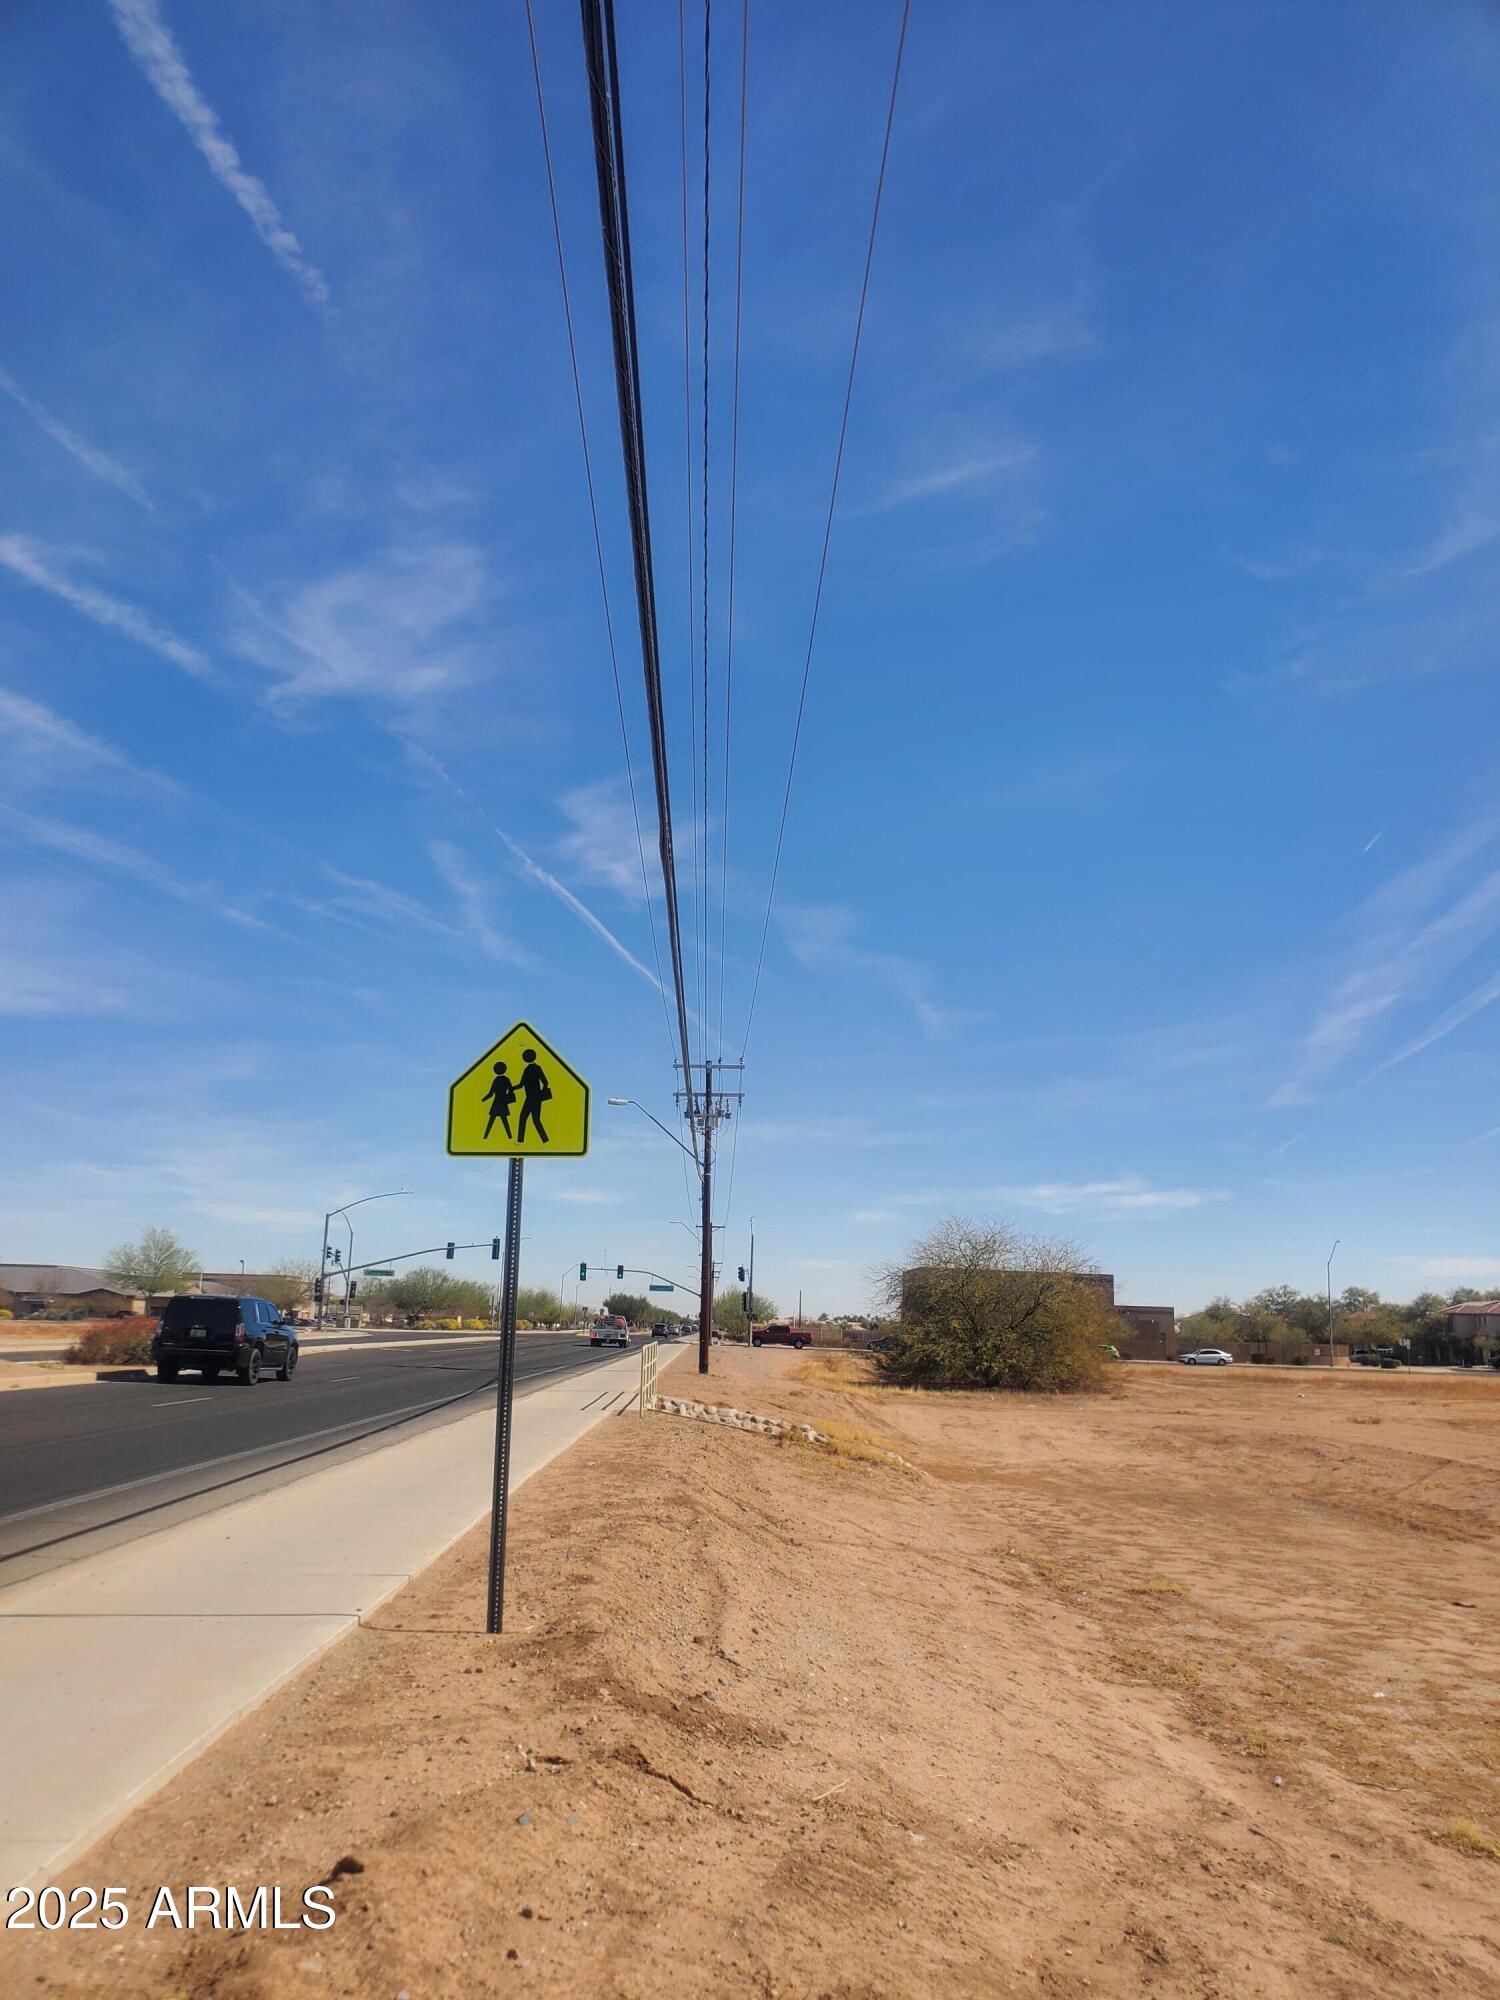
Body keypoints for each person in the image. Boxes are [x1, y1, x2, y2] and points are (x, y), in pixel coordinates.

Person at [516, 1047, 551, 1143]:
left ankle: (544, 1140)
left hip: (533, 1099)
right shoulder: (531, 1069)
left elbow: (545, 1082)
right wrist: (540, 1094)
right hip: (532, 1098)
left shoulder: (530, 1069)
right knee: (530, 1119)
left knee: (530, 1119)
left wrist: (540, 1095)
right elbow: (545, 1083)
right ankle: (543, 1140)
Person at [482, 1060, 516, 1140]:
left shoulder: (496, 1080)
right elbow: (511, 1090)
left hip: (496, 1102)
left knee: (492, 1120)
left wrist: (483, 1099)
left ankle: (485, 1137)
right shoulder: (506, 1079)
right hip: (503, 1102)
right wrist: (507, 1096)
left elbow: (491, 1093)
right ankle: (510, 1136)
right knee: (504, 1120)